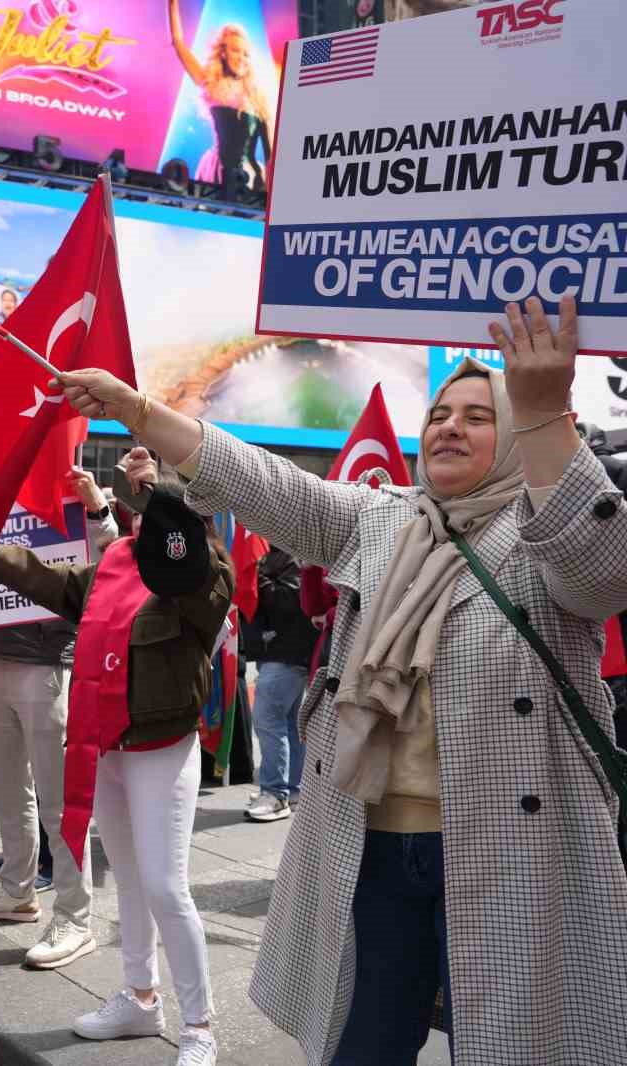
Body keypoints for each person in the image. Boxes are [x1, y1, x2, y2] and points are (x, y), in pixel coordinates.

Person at [58, 296, 627, 1065]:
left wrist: (542, 409)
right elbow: (259, 481)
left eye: (477, 415)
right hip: (374, 849)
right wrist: (139, 410)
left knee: (515, 1046)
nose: (450, 427)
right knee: (364, 1048)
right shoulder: (379, 519)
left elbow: (600, 576)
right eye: (439, 414)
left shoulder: (549, 529)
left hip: (511, 853)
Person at [0, 457, 232, 1066]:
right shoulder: (115, 563)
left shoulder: (201, 574)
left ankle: (199, 1025)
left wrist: (156, 492)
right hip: (109, 746)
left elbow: (196, 574)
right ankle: (139, 998)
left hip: (161, 749)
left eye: (155, 506)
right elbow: (55, 585)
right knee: (129, 881)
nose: (140, 514)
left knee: (166, 887)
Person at [0, 470, 122, 971]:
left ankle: (74, 917)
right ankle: (17, 890)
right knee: (7, 788)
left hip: (48, 667)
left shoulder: (68, 503)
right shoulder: (0, 502)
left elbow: (108, 560)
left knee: (57, 800)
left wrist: (95, 507)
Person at [240, 547, 318, 822]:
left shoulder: (290, 555)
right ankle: (292, 790)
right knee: (288, 724)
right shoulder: (280, 553)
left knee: (268, 720)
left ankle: (275, 794)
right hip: (283, 652)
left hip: (287, 653)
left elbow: (292, 601)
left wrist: (255, 576)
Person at [168, 0, 273, 191]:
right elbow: (178, 43)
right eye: (235, 50)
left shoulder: (258, 97)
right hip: (215, 171)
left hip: (250, 176)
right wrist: (173, 4)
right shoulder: (211, 85)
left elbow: (271, 152)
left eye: (246, 53)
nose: (241, 58)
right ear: (223, 53)